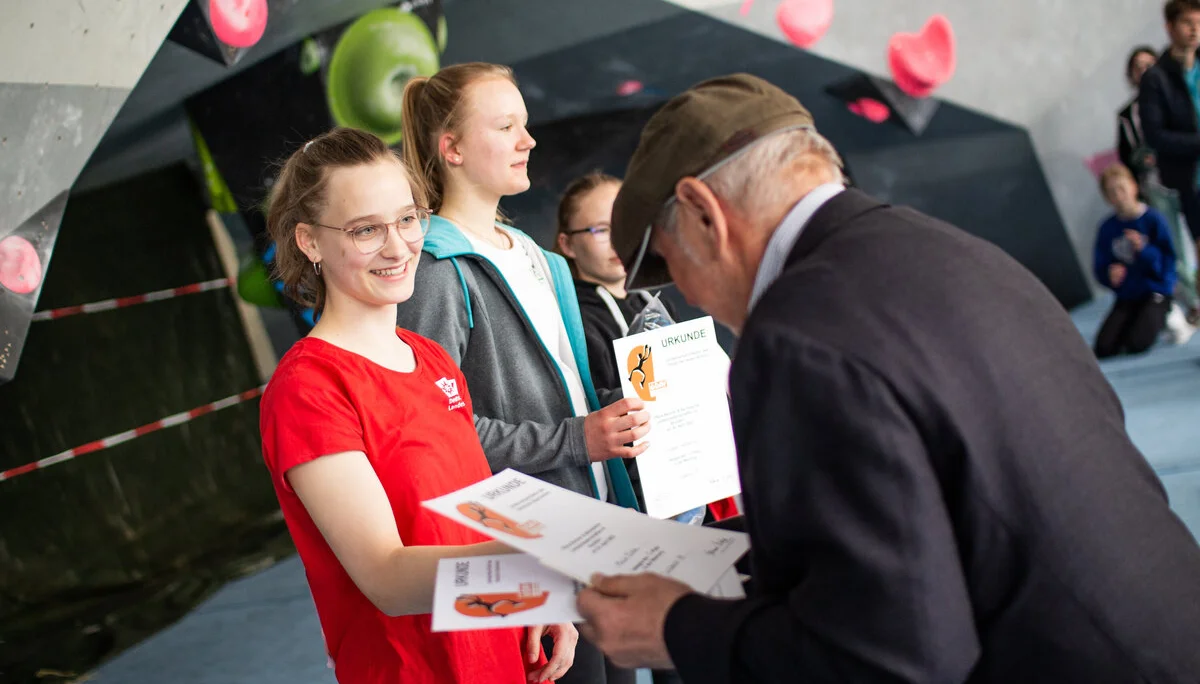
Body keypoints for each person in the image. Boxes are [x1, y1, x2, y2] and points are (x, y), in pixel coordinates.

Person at [576, 73, 1200, 683]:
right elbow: (936, 502)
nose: (689, 293)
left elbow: (890, 654)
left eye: (672, 262)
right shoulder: (951, 251)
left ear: (703, 211)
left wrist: (675, 630)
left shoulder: (799, 333)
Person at [258, 128, 577, 684]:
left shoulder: (431, 358)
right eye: (365, 230)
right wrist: (532, 568)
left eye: (407, 219)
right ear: (310, 242)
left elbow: (465, 522)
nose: (398, 246)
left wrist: (531, 599)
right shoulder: (309, 388)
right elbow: (386, 578)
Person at [396, 62, 642, 684]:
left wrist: (642, 400)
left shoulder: (536, 257)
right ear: (450, 148)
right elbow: (436, 437)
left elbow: (573, 396)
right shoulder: (434, 271)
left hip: (596, 528)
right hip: (528, 546)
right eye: (506, 126)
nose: (528, 141)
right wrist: (578, 438)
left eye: (524, 125)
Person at [555, 172, 741, 526]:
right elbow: (586, 406)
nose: (616, 240)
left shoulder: (652, 299)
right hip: (633, 496)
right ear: (567, 244)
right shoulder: (568, 318)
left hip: (694, 472)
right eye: (599, 230)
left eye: (623, 224)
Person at [1139, 0, 1200, 310]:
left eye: (1199, 22)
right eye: (1188, 23)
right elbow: (1155, 135)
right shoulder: (1156, 78)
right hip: (1191, 179)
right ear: (1170, 27)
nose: (1195, 30)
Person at [1093, 164, 1183, 357]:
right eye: (1111, 192)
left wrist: (1144, 250)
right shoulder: (1107, 228)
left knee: (1137, 344)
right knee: (1104, 348)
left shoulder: (1153, 219)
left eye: (1121, 188)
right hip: (1127, 297)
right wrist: (1109, 274)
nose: (1119, 196)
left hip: (1155, 292)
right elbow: (1100, 266)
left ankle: (1170, 314)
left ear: (1133, 187)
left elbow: (1168, 263)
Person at [1118, 46, 1160, 179]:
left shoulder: (1180, 92)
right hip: (1158, 179)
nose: (1143, 71)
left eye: (1148, 65)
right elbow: (1127, 156)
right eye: (1138, 67)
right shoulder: (1127, 116)